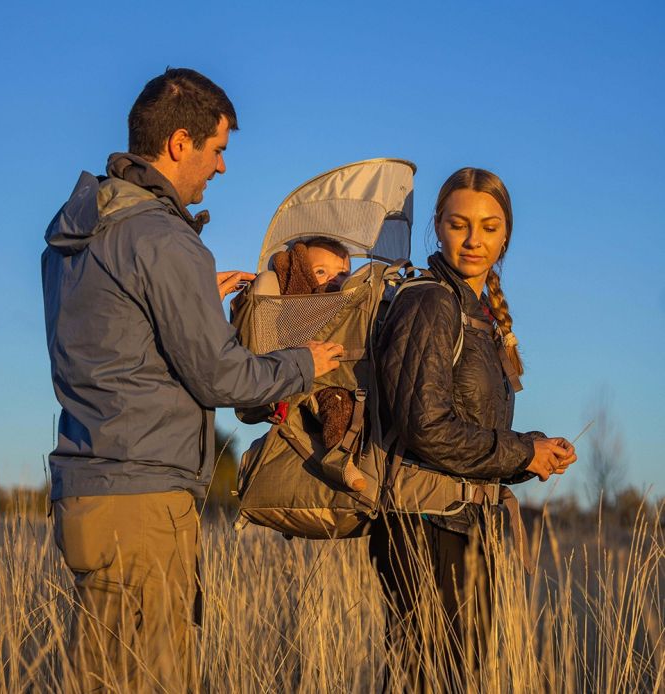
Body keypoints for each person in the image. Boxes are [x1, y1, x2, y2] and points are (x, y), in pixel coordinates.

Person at [41, 68, 343, 691]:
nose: (221, 167)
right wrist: (303, 364)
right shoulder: (162, 240)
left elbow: (112, 340)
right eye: (217, 149)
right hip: (145, 501)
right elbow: (221, 378)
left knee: (101, 677)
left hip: (89, 496)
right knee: (152, 679)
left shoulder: (81, 234)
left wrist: (193, 299)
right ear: (180, 143)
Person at [369, 167, 578, 691]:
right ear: (438, 225)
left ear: (506, 234)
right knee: (430, 680)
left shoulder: (478, 314)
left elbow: (468, 429)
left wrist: (532, 451)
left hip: (468, 527)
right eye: (459, 224)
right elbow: (426, 427)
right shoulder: (431, 301)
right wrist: (521, 453)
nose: (473, 240)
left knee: (457, 680)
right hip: (426, 528)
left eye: (489, 226)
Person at [270, 236, 366, 491]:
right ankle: (339, 459)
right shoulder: (299, 305)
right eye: (321, 272)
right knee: (338, 406)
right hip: (318, 382)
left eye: (342, 274)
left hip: (349, 375)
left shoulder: (351, 309)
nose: (333, 279)